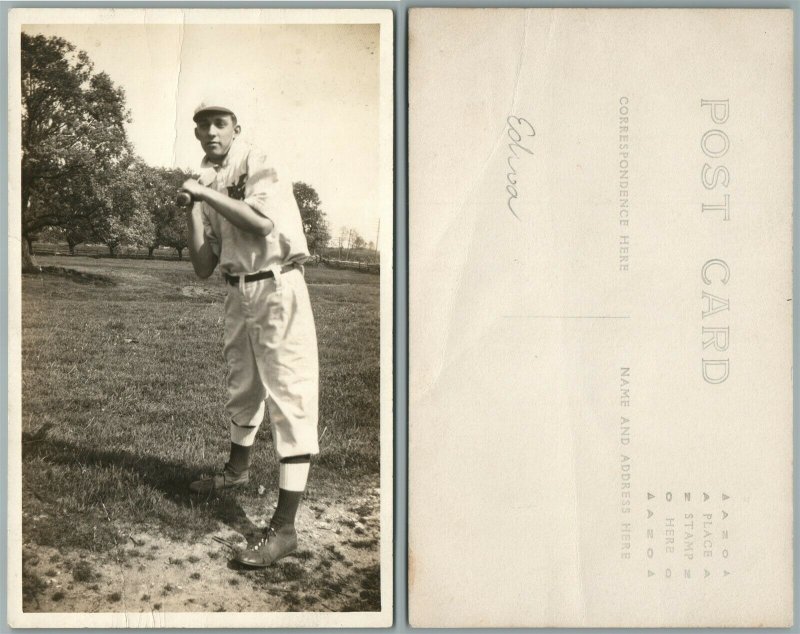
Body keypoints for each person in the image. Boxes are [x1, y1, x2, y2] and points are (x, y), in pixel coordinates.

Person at [179, 98, 319, 568]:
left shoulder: (258, 161)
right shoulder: (207, 178)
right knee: (244, 387)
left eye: (219, 123)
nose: (211, 132)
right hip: (237, 290)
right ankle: (236, 474)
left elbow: (261, 224)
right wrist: (194, 207)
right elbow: (202, 266)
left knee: (289, 395)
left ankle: (284, 528)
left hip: (277, 284)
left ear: (236, 127)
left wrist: (205, 194)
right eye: (203, 125)